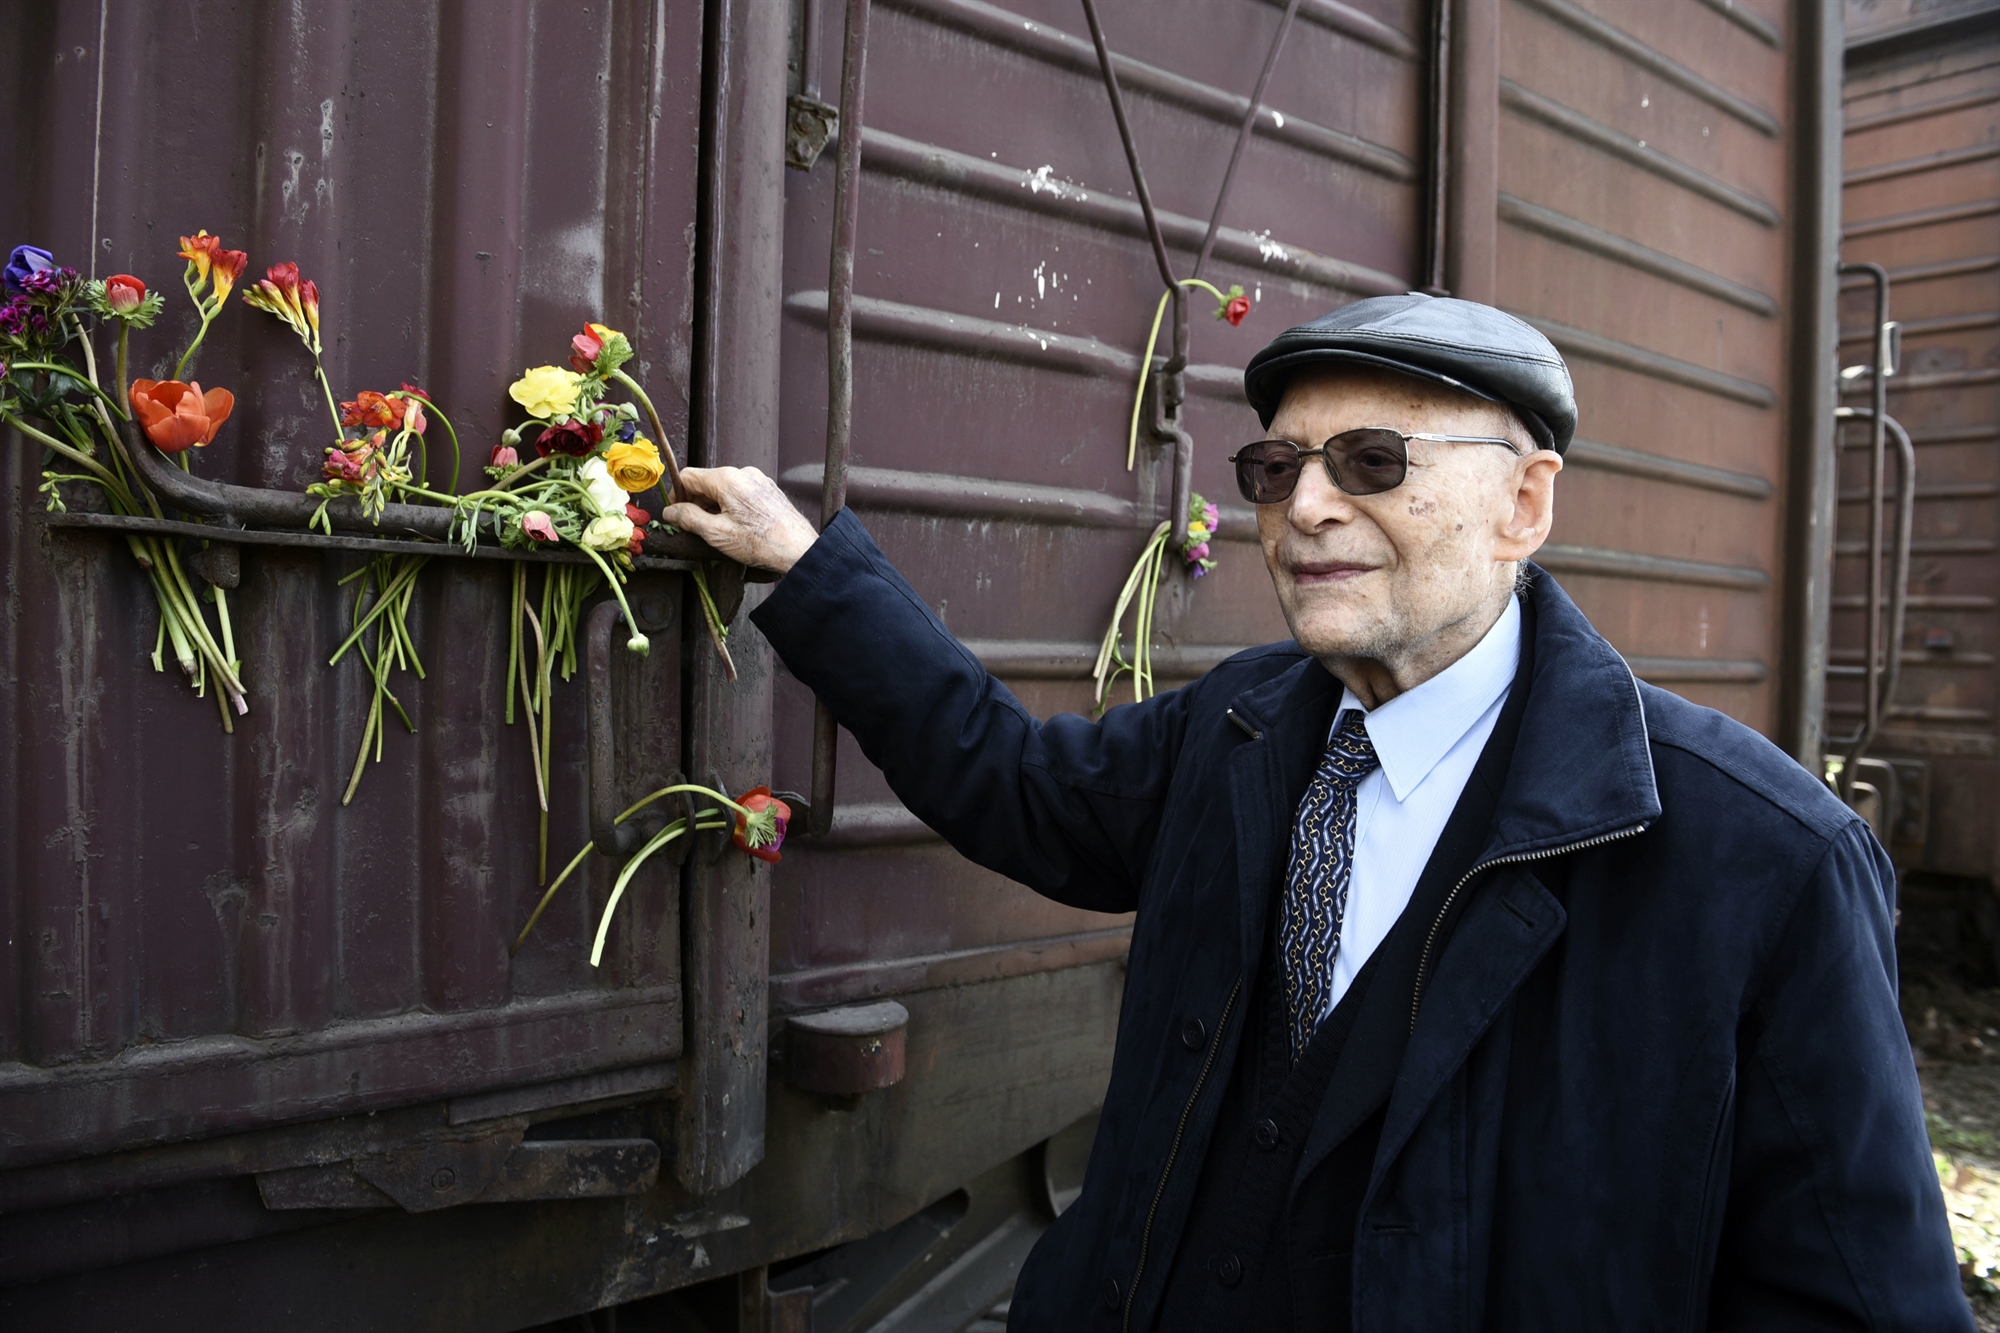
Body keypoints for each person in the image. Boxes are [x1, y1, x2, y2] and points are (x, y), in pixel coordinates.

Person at [665, 294, 1968, 1330]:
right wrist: (809, 569)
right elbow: (1017, 786)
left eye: (1373, 461)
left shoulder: (1763, 859)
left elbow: (1854, 1295)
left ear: (1525, 504)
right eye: (1277, 466)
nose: (1305, 506)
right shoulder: (1240, 726)